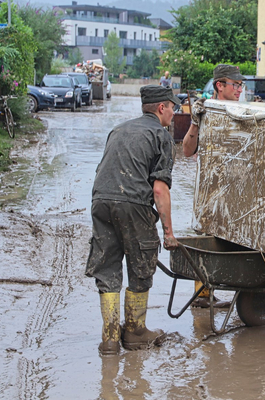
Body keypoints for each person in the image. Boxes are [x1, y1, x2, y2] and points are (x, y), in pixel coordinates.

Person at [86, 85, 180, 356]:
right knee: (141, 265)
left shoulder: (118, 129)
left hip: (100, 201)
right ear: (161, 107)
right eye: (172, 107)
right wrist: (169, 233)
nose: (174, 113)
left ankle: (110, 339)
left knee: (107, 268)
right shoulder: (161, 136)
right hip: (133, 205)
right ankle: (136, 332)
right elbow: (160, 189)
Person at [182, 64, 245, 308]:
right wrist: (195, 122)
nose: (239, 89)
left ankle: (237, 292)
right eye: (235, 85)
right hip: (208, 191)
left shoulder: (243, 112)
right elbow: (187, 151)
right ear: (220, 85)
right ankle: (203, 295)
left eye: (241, 85)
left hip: (236, 190)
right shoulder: (205, 112)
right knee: (207, 241)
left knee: (236, 242)